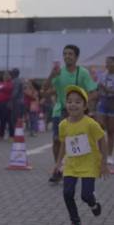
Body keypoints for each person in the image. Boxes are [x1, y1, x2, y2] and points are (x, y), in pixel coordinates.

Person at [53, 85, 109, 225]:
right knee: (67, 193)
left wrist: (104, 163)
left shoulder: (90, 124)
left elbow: (102, 139)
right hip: (71, 164)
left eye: (78, 102)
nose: (73, 105)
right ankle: (75, 220)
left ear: (85, 106)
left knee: (86, 195)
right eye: (70, 101)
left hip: (89, 164)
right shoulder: (63, 125)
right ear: (66, 104)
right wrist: (58, 162)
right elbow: (64, 144)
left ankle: (94, 204)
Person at [43, 45, 98, 183]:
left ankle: (77, 169)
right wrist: (51, 74)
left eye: (70, 54)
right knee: (56, 140)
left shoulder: (83, 73)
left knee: (74, 142)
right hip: (60, 110)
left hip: (77, 113)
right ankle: (58, 169)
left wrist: (81, 104)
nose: (67, 56)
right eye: (65, 54)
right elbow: (44, 89)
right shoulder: (59, 72)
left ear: (76, 57)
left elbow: (94, 92)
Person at [96, 56, 114, 165]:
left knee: (111, 131)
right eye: (106, 62)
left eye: (109, 63)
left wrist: (106, 89)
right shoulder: (102, 75)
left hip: (113, 105)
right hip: (103, 104)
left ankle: (109, 155)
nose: (107, 65)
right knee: (99, 129)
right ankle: (101, 154)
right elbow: (98, 88)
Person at [0, 71, 14, 139]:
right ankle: (1, 134)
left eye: (7, 75)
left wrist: (2, 87)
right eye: (4, 75)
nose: (5, 76)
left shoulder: (11, 83)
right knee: (1, 119)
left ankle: (11, 135)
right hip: (0, 104)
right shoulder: (2, 83)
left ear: (10, 76)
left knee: (8, 119)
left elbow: (8, 89)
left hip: (6, 103)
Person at [10, 68, 25, 136]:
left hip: (16, 102)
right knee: (19, 118)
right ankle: (19, 132)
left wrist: (9, 99)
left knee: (14, 118)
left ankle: (16, 133)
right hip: (21, 102)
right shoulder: (20, 80)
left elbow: (14, 93)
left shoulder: (15, 81)